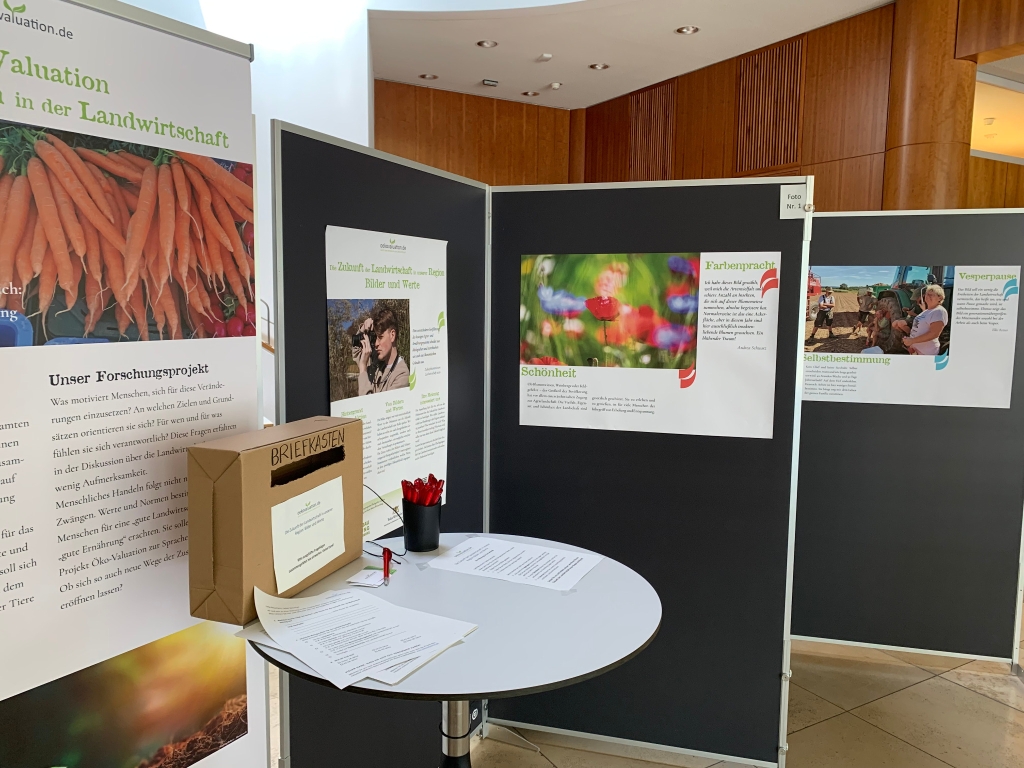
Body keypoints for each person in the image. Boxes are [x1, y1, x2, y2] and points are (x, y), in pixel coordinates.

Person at [354, 306, 410, 394]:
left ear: (392, 335)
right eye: (375, 338)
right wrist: (363, 329)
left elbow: (371, 405)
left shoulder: (402, 375)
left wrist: (363, 369)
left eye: (380, 337)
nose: (376, 343)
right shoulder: (377, 361)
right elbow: (357, 349)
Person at [893, 284, 948, 355]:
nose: (928, 296)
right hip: (916, 351)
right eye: (927, 294)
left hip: (927, 353)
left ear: (940, 298)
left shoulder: (939, 311)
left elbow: (934, 334)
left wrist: (912, 341)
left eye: (931, 295)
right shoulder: (926, 311)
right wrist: (911, 345)